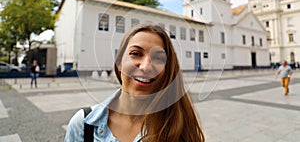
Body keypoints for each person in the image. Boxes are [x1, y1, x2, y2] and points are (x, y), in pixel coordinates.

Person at [64, 24, 205, 142]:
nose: (145, 66)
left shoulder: (179, 125)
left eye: (159, 58)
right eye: (136, 53)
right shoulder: (83, 125)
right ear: (119, 62)